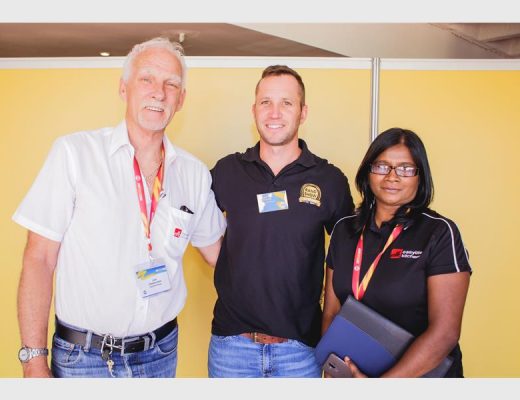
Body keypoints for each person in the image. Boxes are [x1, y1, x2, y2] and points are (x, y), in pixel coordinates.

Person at [13, 37, 226, 378]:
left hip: (159, 355)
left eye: (171, 84)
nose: (159, 93)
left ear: (181, 99)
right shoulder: (74, 154)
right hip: (84, 360)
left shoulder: (194, 173)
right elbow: (39, 259)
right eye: (147, 79)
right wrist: (34, 360)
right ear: (124, 88)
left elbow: (219, 254)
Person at [208, 65, 354, 378]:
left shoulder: (329, 180)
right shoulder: (227, 171)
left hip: (300, 351)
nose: (274, 112)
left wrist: (333, 330)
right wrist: (223, 259)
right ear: (254, 110)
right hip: (231, 348)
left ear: (303, 112)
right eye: (266, 102)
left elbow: (348, 258)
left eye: (286, 103)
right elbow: (192, 220)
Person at [322, 127, 471, 377]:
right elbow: (331, 312)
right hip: (355, 376)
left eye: (405, 169)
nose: (392, 177)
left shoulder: (439, 232)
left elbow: (445, 333)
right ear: (368, 172)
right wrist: (335, 369)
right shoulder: (344, 230)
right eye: (382, 166)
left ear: (420, 176)